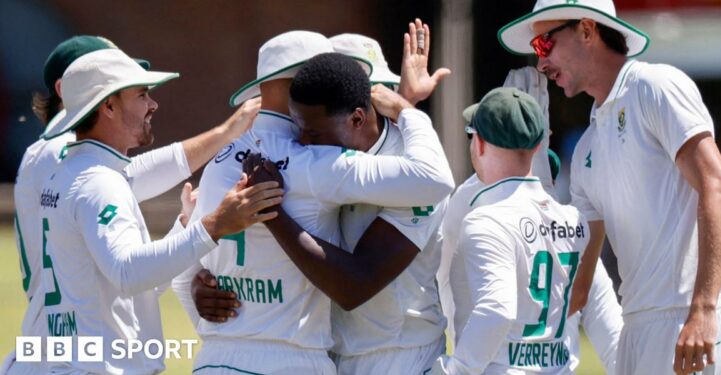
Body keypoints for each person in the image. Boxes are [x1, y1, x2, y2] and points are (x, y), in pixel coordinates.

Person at [171, 31, 453, 375]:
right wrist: (202, 286)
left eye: (378, 92)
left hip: (400, 358)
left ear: (358, 112)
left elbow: (355, 284)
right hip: (319, 357)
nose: (305, 138)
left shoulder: (233, 159)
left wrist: (270, 212)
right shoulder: (315, 161)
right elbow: (185, 265)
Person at [499, 0, 721, 373]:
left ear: (586, 30)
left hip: (690, 324)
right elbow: (579, 284)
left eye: (544, 44)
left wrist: (703, 310)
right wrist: (530, 169)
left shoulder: (655, 86)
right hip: (635, 331)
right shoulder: (584, 152)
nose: (541, 63)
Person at [6, 35, 261, 374]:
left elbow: (129, 281)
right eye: (141, 94)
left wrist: (182, 226)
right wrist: (214, 225)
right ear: (106, 106)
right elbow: (128, 272)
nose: (153, 105)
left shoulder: (75, 168)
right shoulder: (93, 176)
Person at [437, 97, 622, 374]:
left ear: (480, 143)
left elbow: (496, 310)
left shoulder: (485, 220)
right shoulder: (574, 221)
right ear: (538, 146)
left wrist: (454, 370)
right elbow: (611, 331)